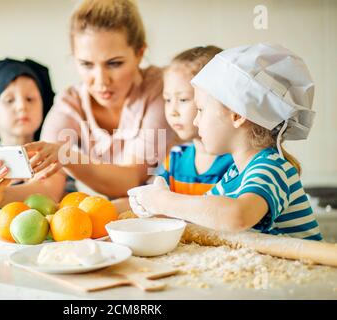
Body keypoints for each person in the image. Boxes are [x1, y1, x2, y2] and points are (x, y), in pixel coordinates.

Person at [128, 43, 322, 240]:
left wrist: (165, 201)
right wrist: (150, 204)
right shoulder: (234, 174)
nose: (196, 120)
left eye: (201, 110)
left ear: (237, 115)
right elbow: (201, 216)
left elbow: (237, 216)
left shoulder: (272, 167)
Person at [24, 0, 175, 199]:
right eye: (86, 64)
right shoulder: (70, 102)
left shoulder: (162, 89)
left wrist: (68, 156)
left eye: (114, 63)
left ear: (139, 53)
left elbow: (130, 180)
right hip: (104, 221)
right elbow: (47, 186)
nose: (101, 81)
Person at [0, 58, 65, 207]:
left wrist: (2, 195)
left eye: (30, 99)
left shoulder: (50, 153)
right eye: (9, 100)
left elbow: (50, 191)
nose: (22, 106)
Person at [158, 46, 233, 195]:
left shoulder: (237, 163)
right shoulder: (175, 158)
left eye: (183, 99)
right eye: (167, 99)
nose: (172, 111)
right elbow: (152, 199)